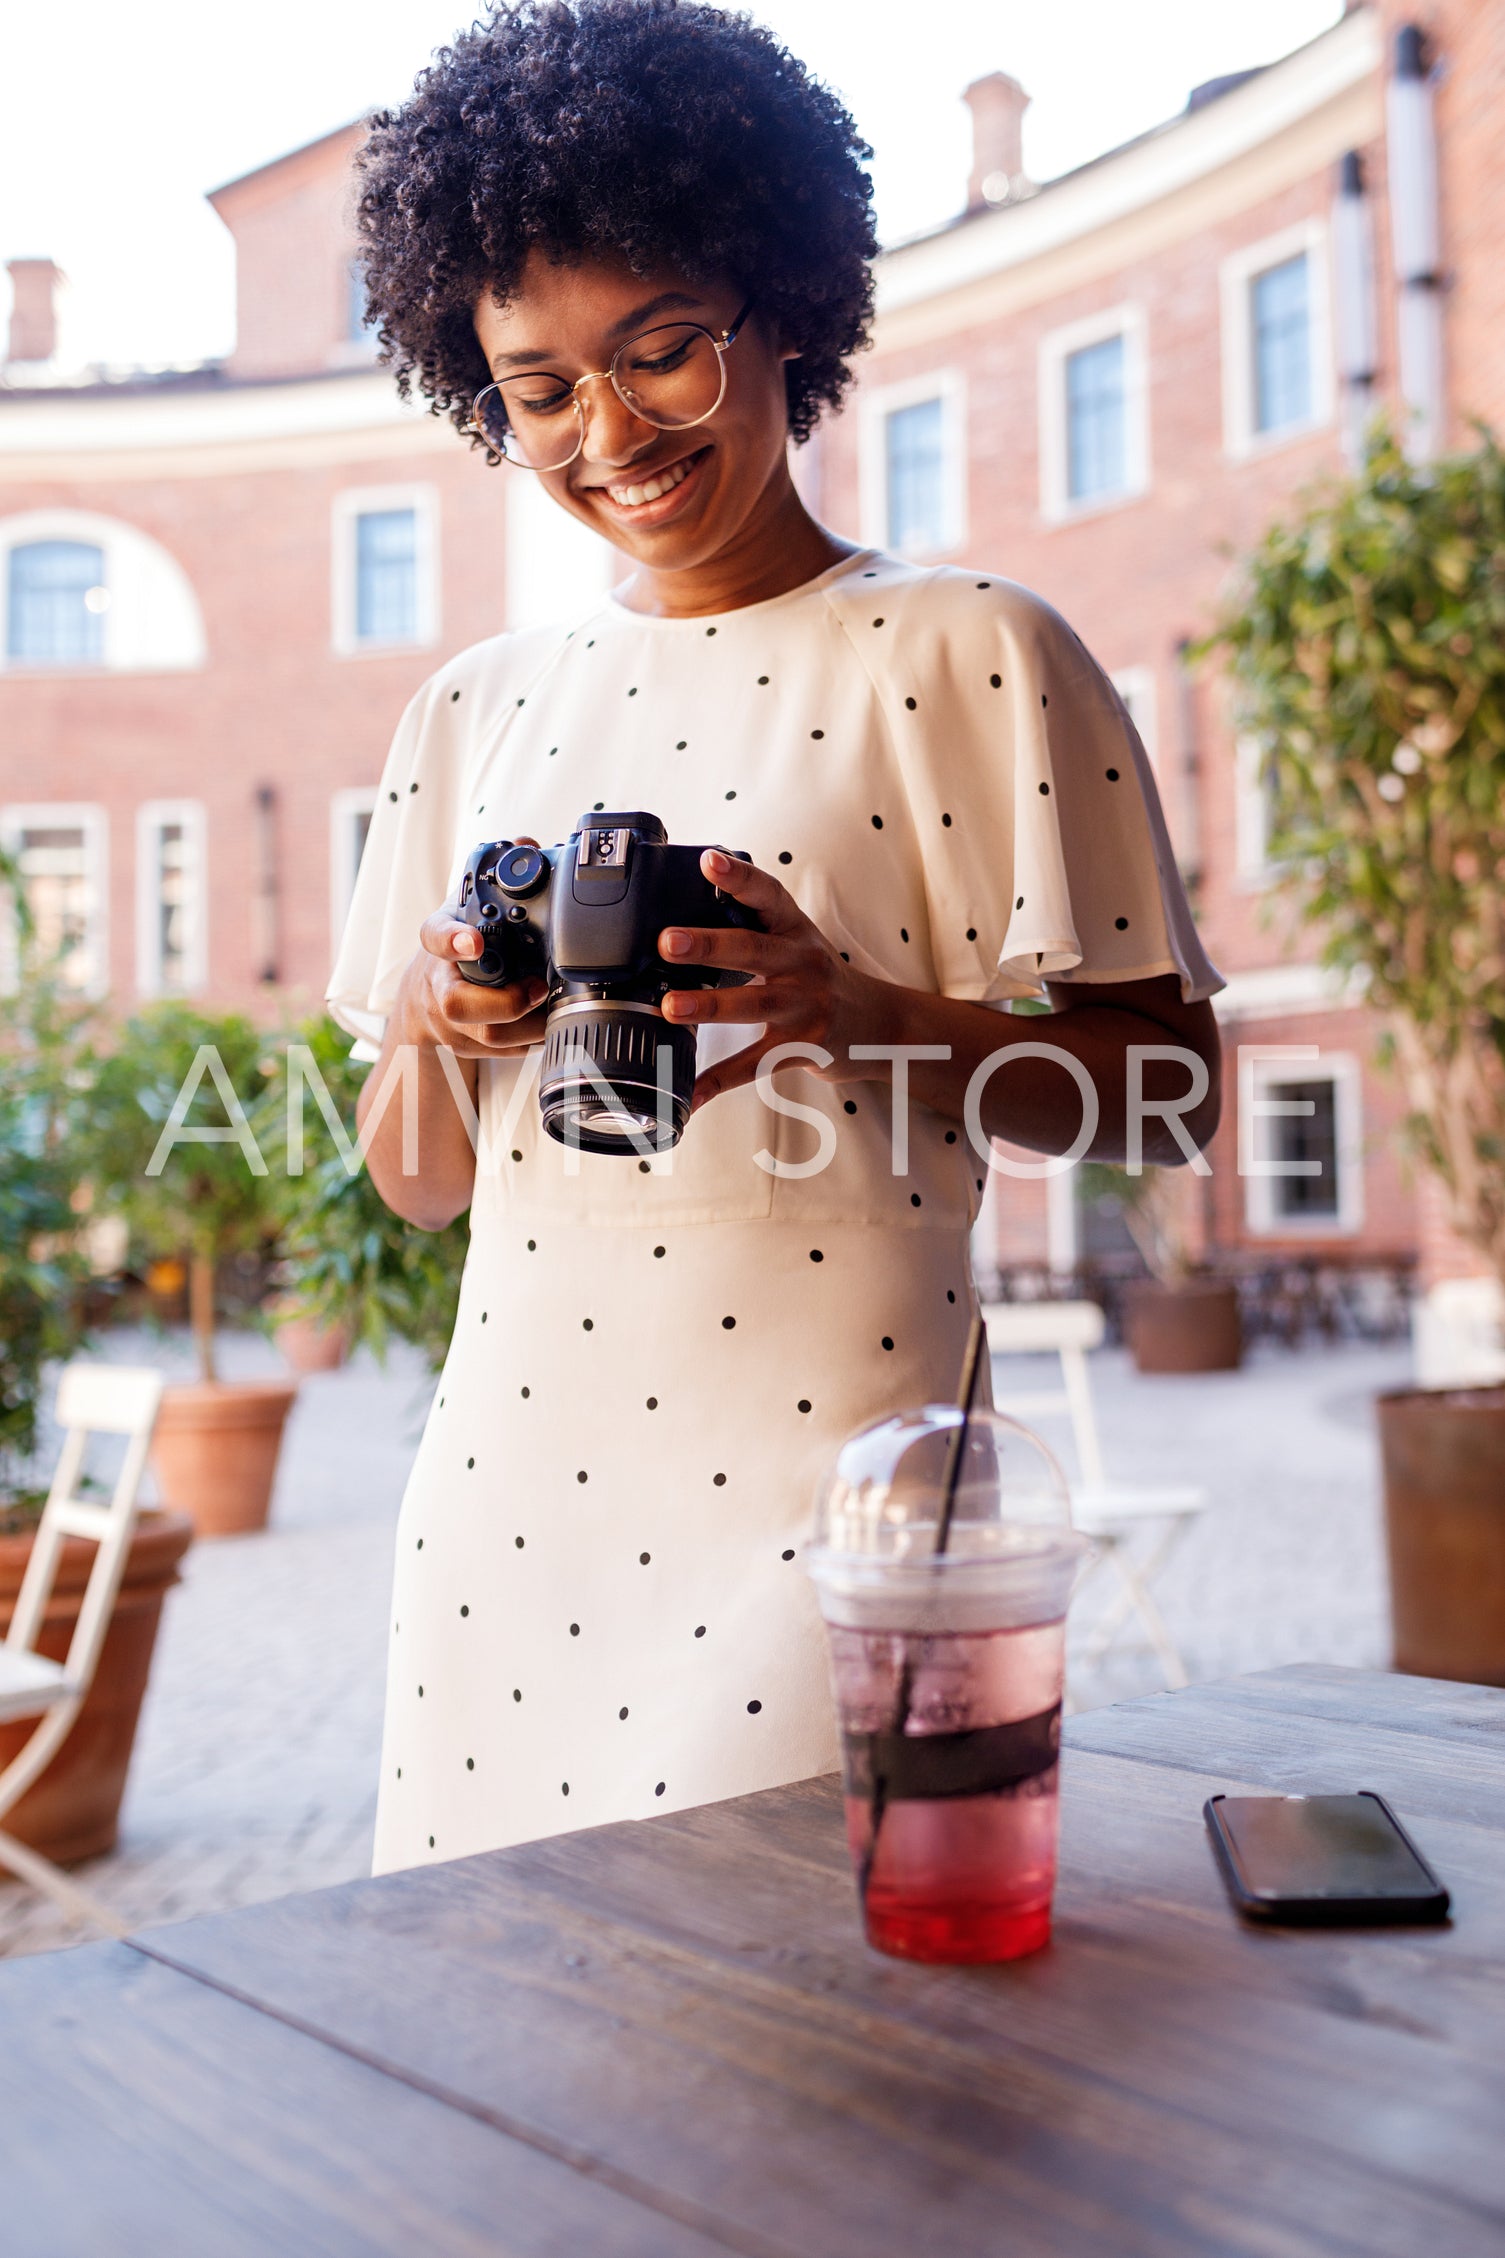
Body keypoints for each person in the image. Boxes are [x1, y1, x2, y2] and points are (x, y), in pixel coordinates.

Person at [328, 0, 1223, 1875]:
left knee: (824, 2077)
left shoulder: (971, 647)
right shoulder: (468, 709)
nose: (608, 430)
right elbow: (414, 1188)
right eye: (539, 386)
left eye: (659, 351)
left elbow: (1168, 1096)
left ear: (782, 307)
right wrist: (434, 1018)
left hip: (846, 1496)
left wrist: (856, 1009)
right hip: (508, 1515)